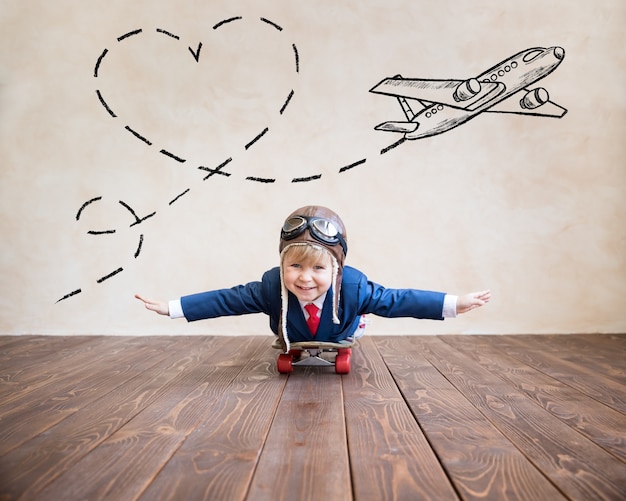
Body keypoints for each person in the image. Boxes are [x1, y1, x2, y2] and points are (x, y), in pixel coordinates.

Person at [136, 205, 490, 352]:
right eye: (295, 268)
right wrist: (173, 308)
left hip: (339, 332)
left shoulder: (352, 286)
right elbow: (227, 299)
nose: (305, 279)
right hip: (294, 335)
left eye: (318, 269)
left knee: (366, 310)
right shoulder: (272, 286)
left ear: (335, 268)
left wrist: (454, 303)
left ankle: (356, 323)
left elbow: (399, 300)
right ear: (282, 265)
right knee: (267, 307)